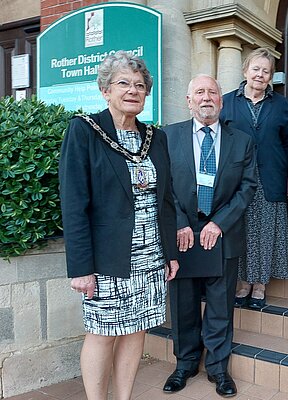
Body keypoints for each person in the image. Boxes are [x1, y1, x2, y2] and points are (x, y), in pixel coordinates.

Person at [59, 51, 179, 400]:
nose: (133, 90)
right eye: (123, 83)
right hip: (107, 259)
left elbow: (166, 199)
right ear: (105, 91)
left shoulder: (156, 138)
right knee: (102, 332)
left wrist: (169, 253)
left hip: (150, 257)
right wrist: (82, 268)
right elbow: (74, 205)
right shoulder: (84, 131)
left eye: (140, 85)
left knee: (137, 329)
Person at [162, 74, 256, 398]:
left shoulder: (241, 140)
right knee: (183, 303)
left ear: (221, 99)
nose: (206, 97)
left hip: (222, 233)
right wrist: (179, 224)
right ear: (188, 101)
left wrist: (220, 223)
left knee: (220, 305)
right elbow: (163, 188)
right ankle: (184, 364)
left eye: (212, 92)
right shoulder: (168, 136)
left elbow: (247, 187)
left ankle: (218, 369)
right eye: (199, 92)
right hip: (183, 233)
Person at [221, 48, 288, 309]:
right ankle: (243, 283)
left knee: (264, 233)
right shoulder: (227, 101)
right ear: (245, 71)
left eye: (266, 71)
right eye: (256, 69)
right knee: (241, 230)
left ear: (271, 76)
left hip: (271, 177)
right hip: (237, 180)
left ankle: (260, 284)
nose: (260, 75)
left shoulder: (281, 104)